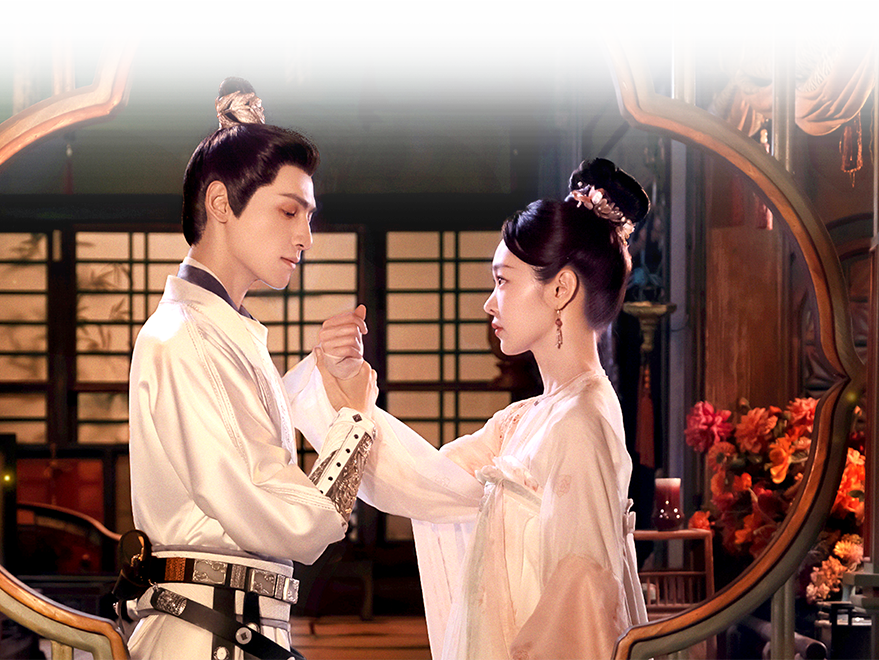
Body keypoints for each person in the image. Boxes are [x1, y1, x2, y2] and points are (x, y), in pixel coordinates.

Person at [285, 158, 650, 660]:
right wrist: (345, 388)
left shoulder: (582, 420)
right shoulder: (527, 418)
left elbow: (581, 599)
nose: (489, 303)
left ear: (560, 289)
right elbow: (424, 482)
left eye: (503, 281)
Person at [126, 77, 382, 660]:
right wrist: (354, 418)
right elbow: (292, 521)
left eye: (309, 216)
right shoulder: (187, 337)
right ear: (220, 203)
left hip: (230, 627)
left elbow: (252, 454)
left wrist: (327, 376)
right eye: (289, 211)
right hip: (209, 635)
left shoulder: (220, 331)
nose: (306, 237)